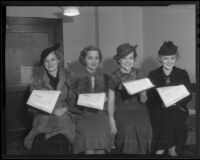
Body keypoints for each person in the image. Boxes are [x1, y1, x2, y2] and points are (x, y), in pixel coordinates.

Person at [23, 43, 75, 154]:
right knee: (40, 143)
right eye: (46, 61)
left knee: (60, 142)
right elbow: (31, 109)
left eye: (53, 60)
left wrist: (65, 109)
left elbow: (75, 99)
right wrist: (39, 105)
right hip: (43, 119)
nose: (50, 63)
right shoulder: (37, 81)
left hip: (64, 117)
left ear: (58, 60)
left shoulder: (69, 77)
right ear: (43, 63)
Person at [146, 41, 192, 157]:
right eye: (166, 59)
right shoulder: (153, 74)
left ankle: (160, 150)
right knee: (169, 116)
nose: (169, 61)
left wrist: (175, 102)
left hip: (177, 107)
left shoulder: (182, 73)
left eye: (172, 58)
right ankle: (172, 150)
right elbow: (150, 98)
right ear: (160, 59)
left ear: (176, 58)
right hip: (158, 109)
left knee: (174, 114)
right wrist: (161, 103)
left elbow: (188, 95)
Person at [67, 45, 114, 154]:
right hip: (83, 116)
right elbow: (70, 104)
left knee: (101, 150)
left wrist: (106, 100)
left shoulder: (108, 79)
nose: (94, 62)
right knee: (89, 150)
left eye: (96, 58)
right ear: (84, 59)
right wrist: (82, 102)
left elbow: (112, 105)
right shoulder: (75, 79)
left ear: (99, 59)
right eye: (90, 58)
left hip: (101, 115)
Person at [107, 43, 152, 154]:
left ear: (134, 59)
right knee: (126, 129)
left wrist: (143, 93)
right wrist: (111, 120)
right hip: (122, 109)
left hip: (139, 108)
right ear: (118, 60)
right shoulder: (114, 76)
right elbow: (111, 100)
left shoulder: (140, 73)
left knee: (144, 127)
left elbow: (143, 101)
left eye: (131, 58)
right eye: (124, 58)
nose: (128, 61)